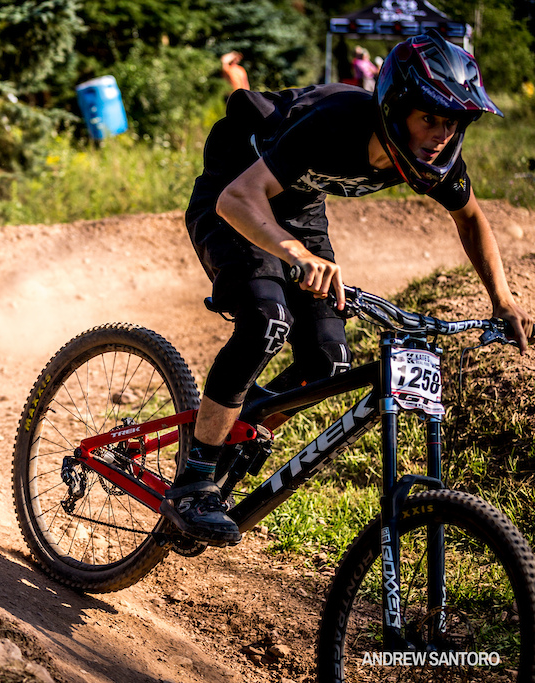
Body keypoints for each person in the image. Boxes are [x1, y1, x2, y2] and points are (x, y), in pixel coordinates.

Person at [160, 30, 535, 544]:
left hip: (301, 208)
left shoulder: (429, 161)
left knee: (327, 362)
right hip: (237, 188)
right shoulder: (337, 124)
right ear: (397, 107)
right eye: (429, 118)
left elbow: (471, 219)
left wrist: (504, 300)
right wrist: (294, 253)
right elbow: (237, 199)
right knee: (267, 319)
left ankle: (241, 426)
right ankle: (194, 480)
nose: (441, 134)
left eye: (451, 122)